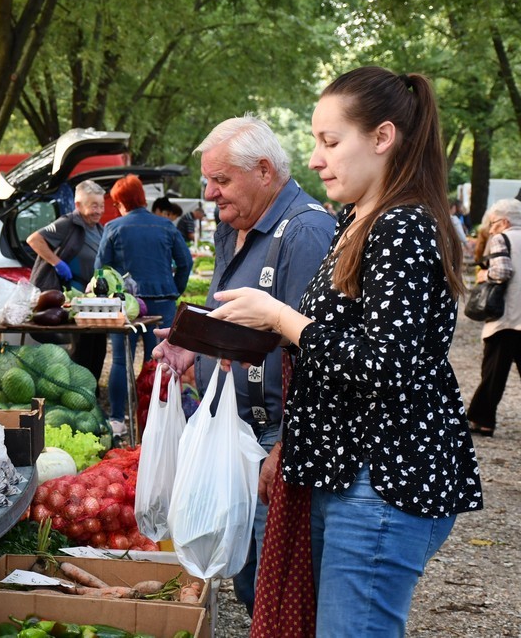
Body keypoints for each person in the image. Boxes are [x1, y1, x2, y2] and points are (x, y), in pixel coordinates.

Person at [192, 67, 483, 636]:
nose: (318, 158)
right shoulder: (355, 221)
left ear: (382, 138)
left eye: (330, 141)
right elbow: (342, 344)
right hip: (344, 474)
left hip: (382, 478)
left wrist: (281, 317)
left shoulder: (402, 227)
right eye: (315, 143)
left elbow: (387, 364)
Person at [151, 115, 336, 616]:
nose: (209, 193)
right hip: (236, 432)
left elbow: (317, 352)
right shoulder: (236, 227)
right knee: (251, 578)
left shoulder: (306, 232)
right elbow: (228, 315)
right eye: (208, 180)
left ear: (263, 171)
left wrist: (286, 447)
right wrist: (194, 345)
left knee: (279, 587)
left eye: (220, 180)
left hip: (274, 437)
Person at [96, 175, 192, 436]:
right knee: (162, 363)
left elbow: (100, 270)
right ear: (142, 198)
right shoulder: (166, 226)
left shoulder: (114, 227)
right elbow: (186, 263)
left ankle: (117, 419)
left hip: (126, 308)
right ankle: (161, 420)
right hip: (162, 305)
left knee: (119, 362)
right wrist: (174, 289)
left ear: (120, 203)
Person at [27, 180, 108, 379]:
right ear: (79, 206)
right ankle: (78, 394)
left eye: (101, 205)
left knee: (98, 350)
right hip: (72, 299)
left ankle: (92, 397)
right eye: (94, 205)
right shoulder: (68, 223)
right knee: (81, 353)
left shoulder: (99, 229)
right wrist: (57, 263)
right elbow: (34, 240)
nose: (99, 211)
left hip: (93, 301)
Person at [466, 198, 521, 437]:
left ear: (505, 221)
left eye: (493, 223)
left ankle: (483, 420)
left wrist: (484, 274)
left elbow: (502, 271)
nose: (491, 229)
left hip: (507, 317)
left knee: (494, 373)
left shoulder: (503, 238)